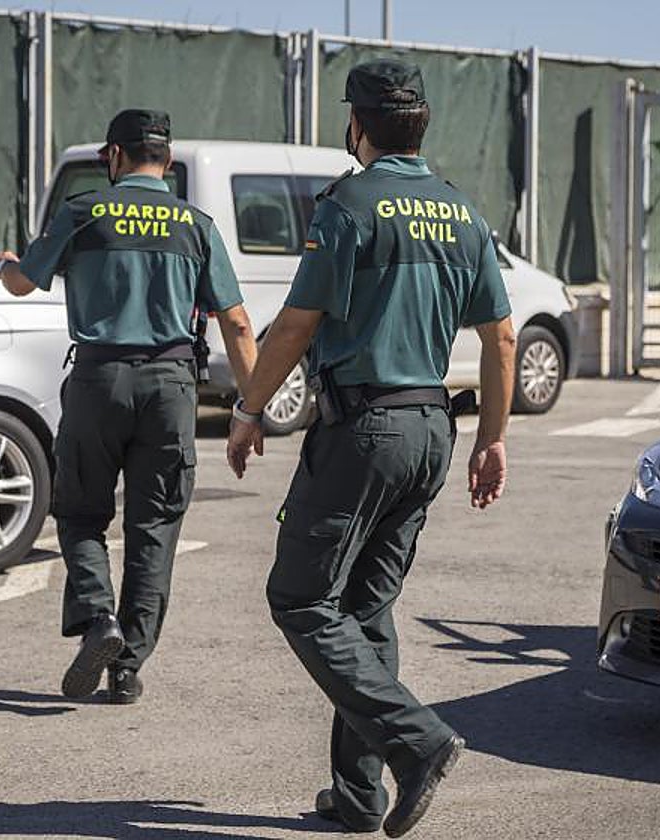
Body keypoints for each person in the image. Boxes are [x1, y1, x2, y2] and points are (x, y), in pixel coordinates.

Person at [226, 60, 516, 837]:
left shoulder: (350, 204)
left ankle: (416, 742)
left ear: (358, 125)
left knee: (300, 599)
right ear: (420, 124)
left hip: (364, 429)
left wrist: (250, 408)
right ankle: (359, 798)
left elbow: (296, 325)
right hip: (431, 431)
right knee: (366, 606)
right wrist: (493, 439)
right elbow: (502, 337)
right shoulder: (461, 213)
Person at [0, 109, 257, 705]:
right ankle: (129, 666)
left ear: (113, 156)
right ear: (166, 158)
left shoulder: (84, 212)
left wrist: (5, 262)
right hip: (170, 386)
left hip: (97, 381)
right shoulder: (196, 225)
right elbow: (237, 323)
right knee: (155, 528)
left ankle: (98, 621)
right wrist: (251, 408)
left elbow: (23, 283)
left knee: (81, 513)